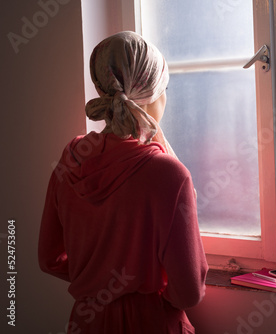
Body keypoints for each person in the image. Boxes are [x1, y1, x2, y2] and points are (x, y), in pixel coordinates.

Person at [38, 31, 208, 334]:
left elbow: (50, 259)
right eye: (164, 87)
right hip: (151, 322)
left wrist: (96, 282)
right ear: (151, 93)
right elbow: (189, 292)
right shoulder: (169, 174)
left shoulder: (71, 160)